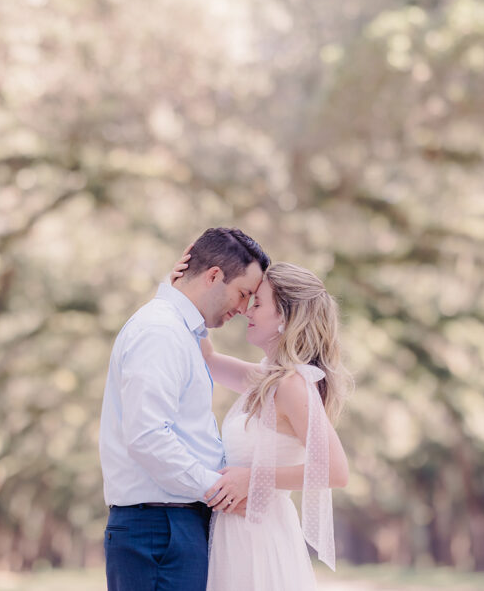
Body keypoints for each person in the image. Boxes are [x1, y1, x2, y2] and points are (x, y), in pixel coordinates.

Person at [99, 228, 271, 591]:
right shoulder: (160, 332)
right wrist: (219, 489)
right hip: (160, 530)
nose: (243, 309)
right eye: (243, 294)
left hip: (173, 526)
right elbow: (146, 437)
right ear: (213, 276)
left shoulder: (181, 332)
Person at [171, 253, 351, 590]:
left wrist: (253, 479)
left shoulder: (292, 386)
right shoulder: (266, 380)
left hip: (261, 536)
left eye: (257, 304)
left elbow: (335, 471)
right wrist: (183, 290)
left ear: (284, 316)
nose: (246, 311)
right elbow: (206, 357)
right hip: (236, 532)